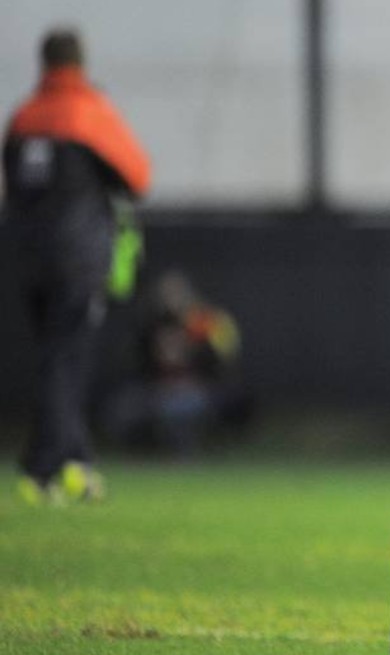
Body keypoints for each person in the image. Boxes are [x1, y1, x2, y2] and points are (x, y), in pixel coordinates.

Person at [3, 28, 151, 505]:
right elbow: (138, 175)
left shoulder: (23, 117)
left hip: (29, 258)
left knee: (53, 358)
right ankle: (59, 463)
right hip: (78, 259)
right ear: (79, 63)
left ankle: (54, 463)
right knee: (67, 360)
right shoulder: (88, 113)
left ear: (43, 63)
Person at [100, 270, 252, 457]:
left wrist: (192, 348)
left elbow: (226, 361)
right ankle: (142, 453)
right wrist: (157, 352)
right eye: (166, 294)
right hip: (156, 389)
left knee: (181, 406)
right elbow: (134, 363)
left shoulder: (205, 322)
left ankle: (184, 453)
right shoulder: (151, 324)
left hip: (199, 387)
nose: (171, 299)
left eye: (176, 293)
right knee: (124, 408)